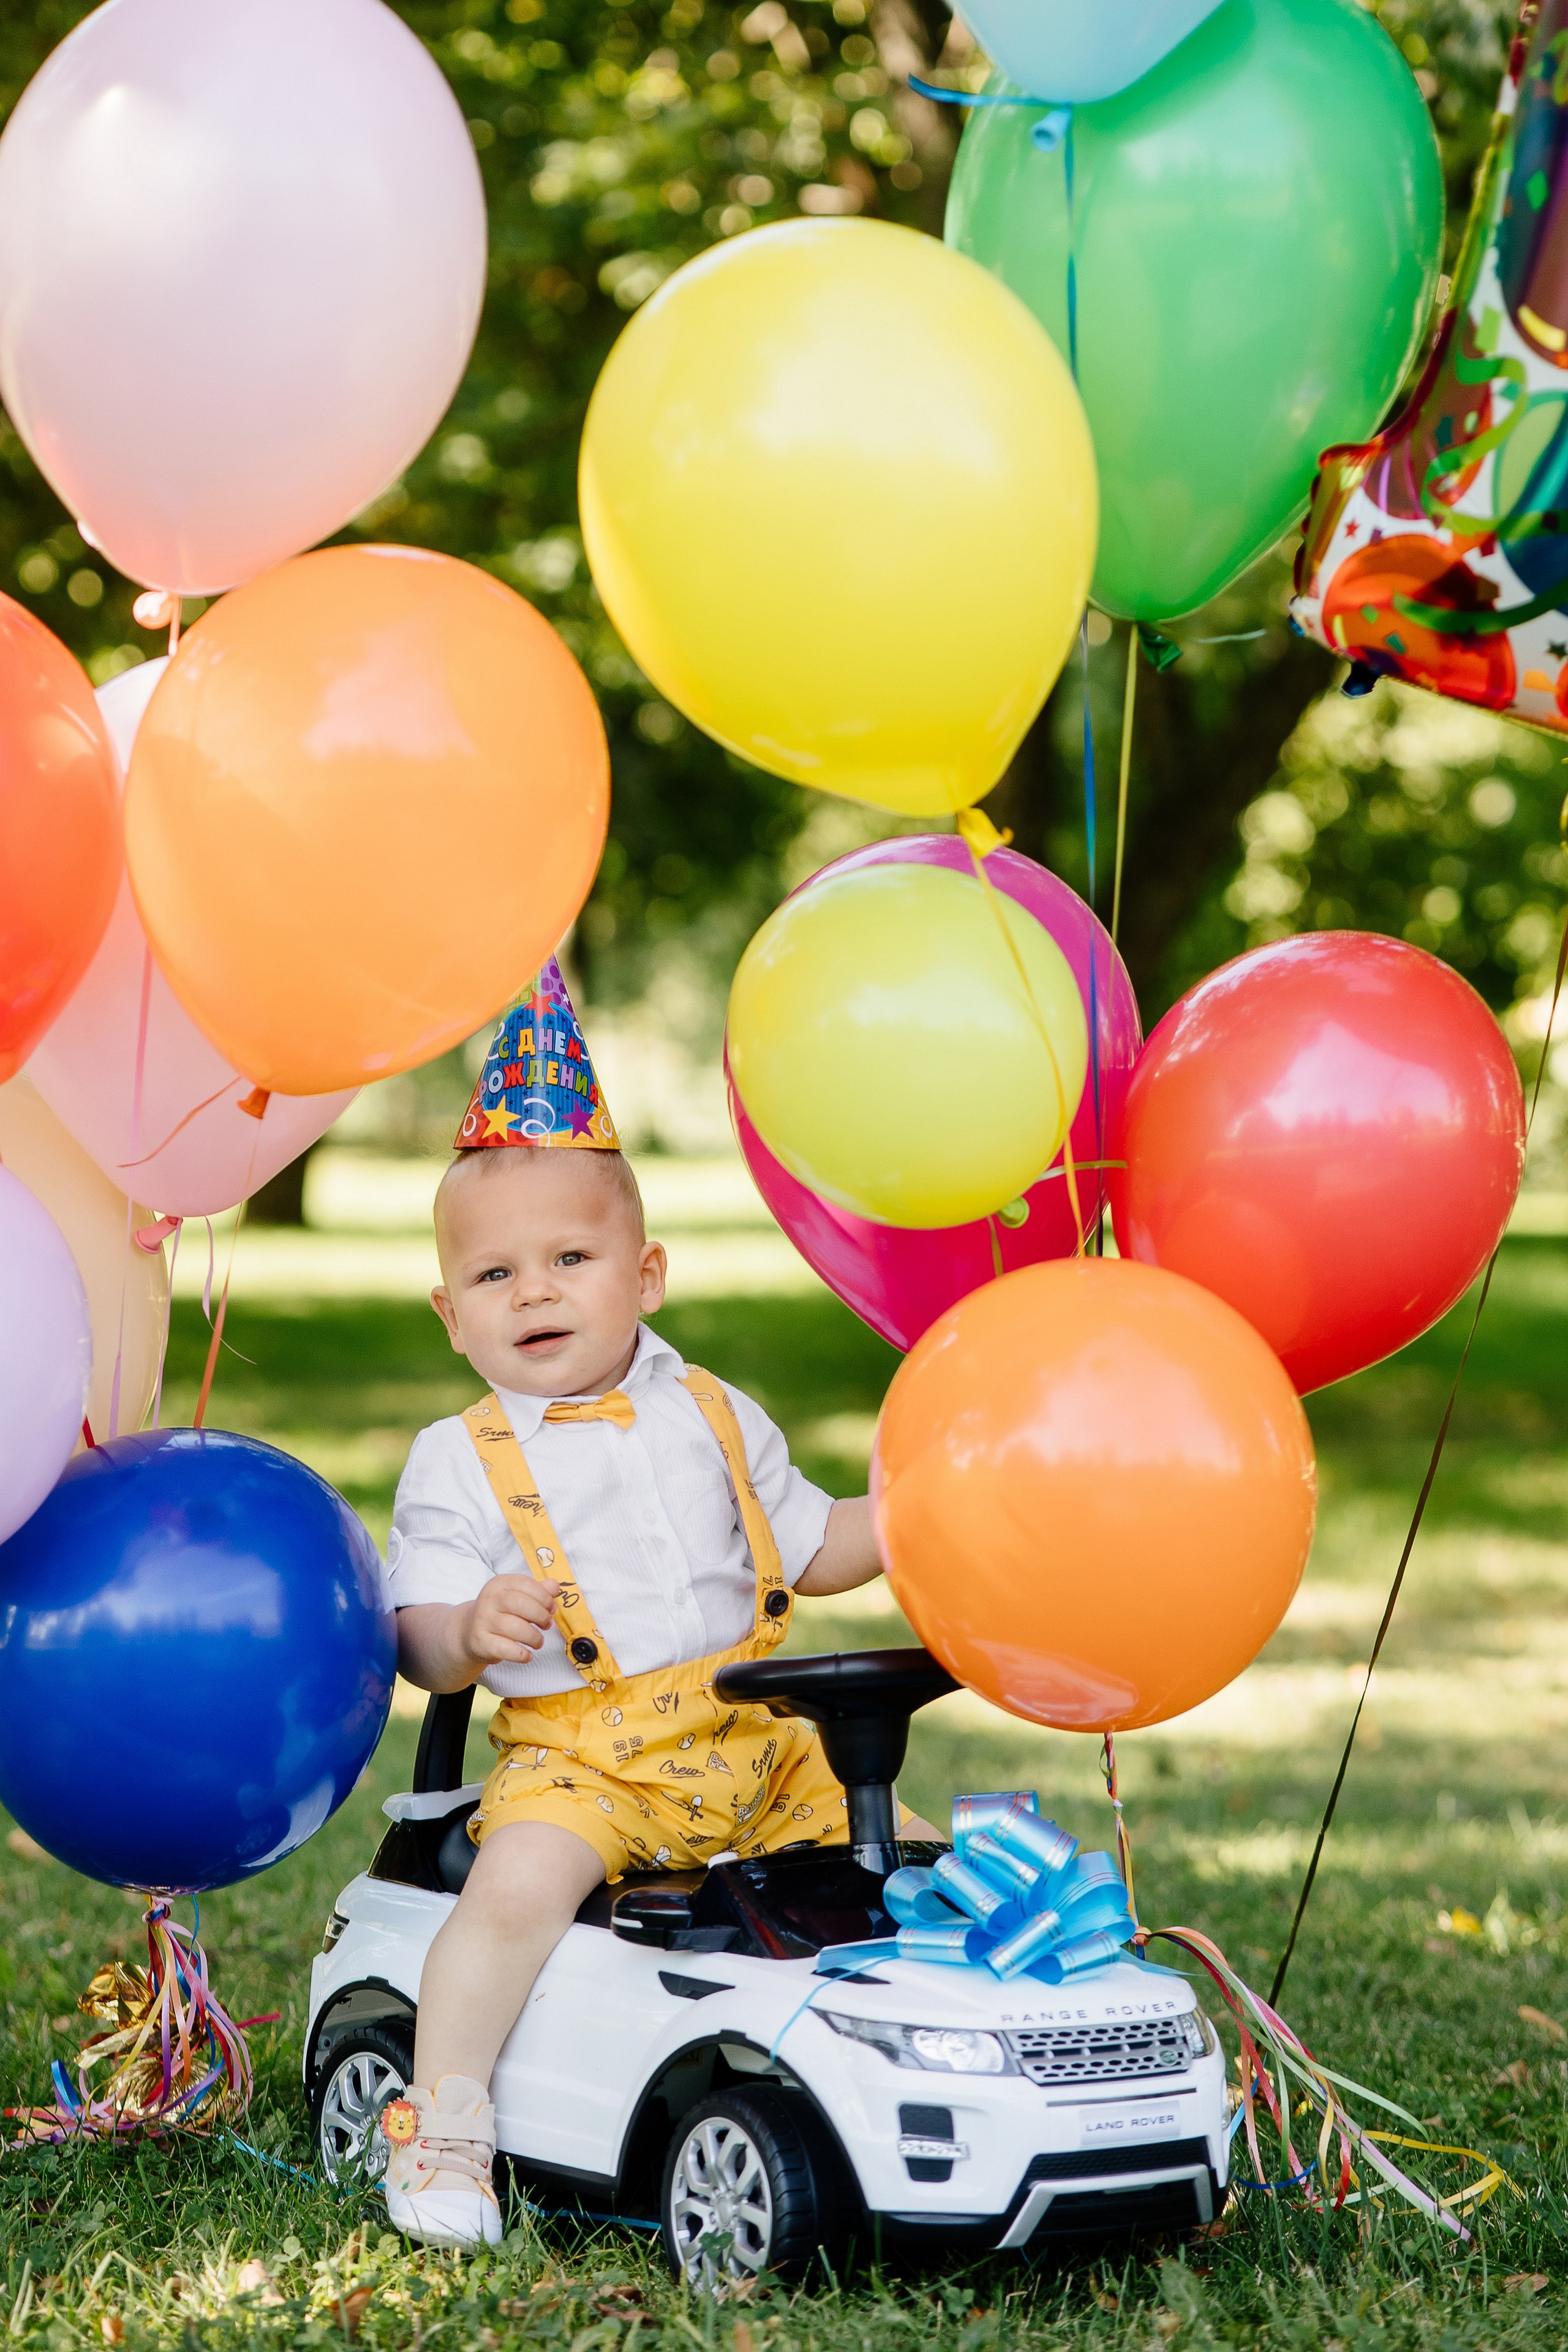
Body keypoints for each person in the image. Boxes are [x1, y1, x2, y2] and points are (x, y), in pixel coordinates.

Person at [379, 960, 924, 2247]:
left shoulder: (714, 1413)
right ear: (451, 1315)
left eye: (571, 1258)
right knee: (512, 1895)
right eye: (495, 1275)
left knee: (909, 1866)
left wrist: (910, 1520)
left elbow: (813, 1545)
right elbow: (414, 1635)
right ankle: (444, 2130)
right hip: (584, 1760)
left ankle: (916, 2062)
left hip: (754, 1739)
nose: (536, 1291)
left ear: (648, 1273)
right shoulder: (457, 1459)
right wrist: (466, 1631)